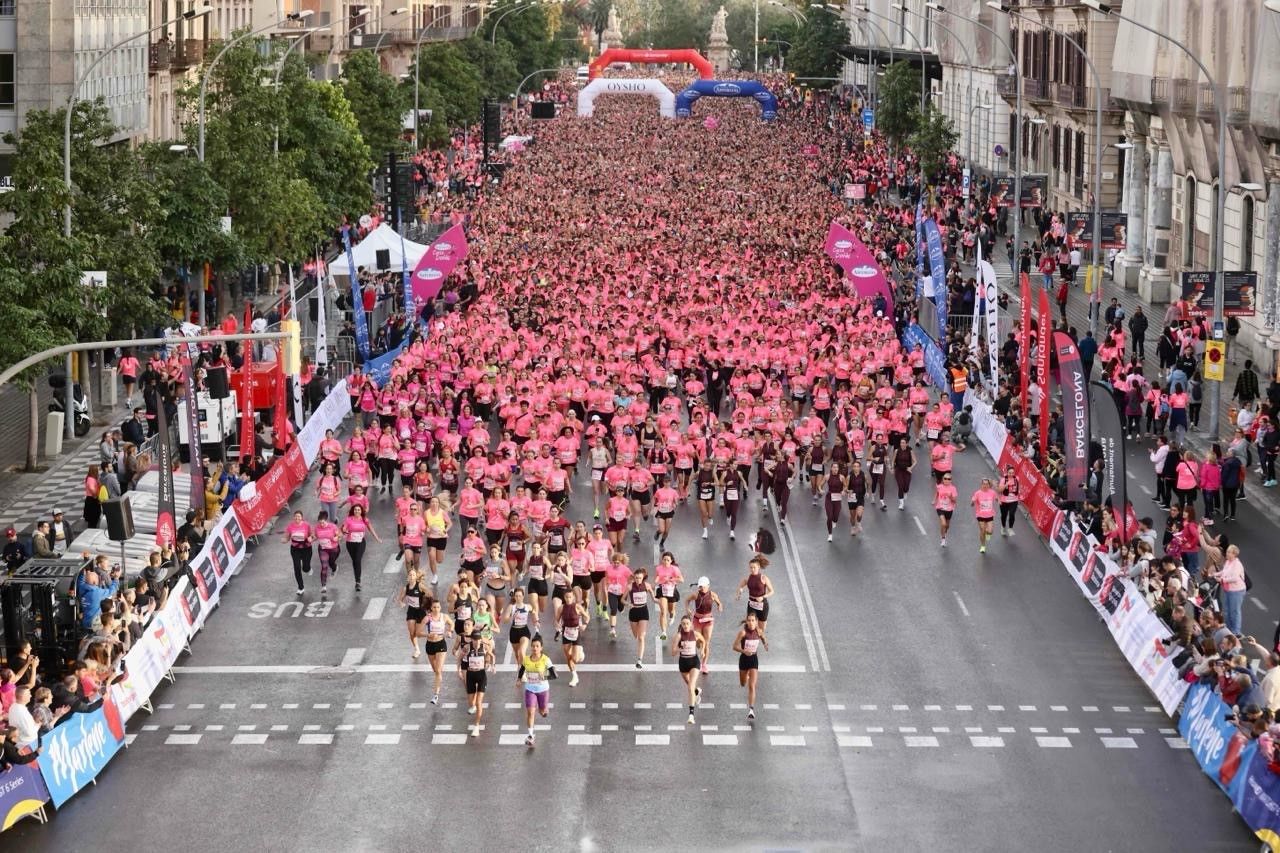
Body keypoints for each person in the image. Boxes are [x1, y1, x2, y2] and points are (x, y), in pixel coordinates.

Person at [456, 626, 494, 738]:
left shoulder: (485, 646)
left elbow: (490, 655)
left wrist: (490, 664)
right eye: (474, 639)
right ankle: (473, 704)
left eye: (478, 639)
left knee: (478, 702)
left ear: (481, 639)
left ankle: (476, 726)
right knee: (471, 703)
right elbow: (459, 658)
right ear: (471, 639)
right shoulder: (467, 647)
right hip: (471, 675)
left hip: (481, 675)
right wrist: (458, 670)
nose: (476, 641)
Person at [732, 612, 769, 721]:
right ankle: (746, 675)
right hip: (744, 659)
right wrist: (744, 651)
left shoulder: (759, 631)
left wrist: (765, 644)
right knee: (743, 683)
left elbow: (763, 638)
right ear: (747, 622)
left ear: (756, 622)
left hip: (753, 659)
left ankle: (751, 710)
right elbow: (734, 646)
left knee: (752, 686)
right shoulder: (743, 633)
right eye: (749, 620)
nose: (751, 622)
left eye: (753, 620)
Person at [672, 615, 707, 725]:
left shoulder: (695, 634)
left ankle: (691, 715)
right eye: (684, 624)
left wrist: (702, 650)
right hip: (683, 663)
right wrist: (679, 648)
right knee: (690, 686)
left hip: (694, 662)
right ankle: (696, 691)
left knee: (691, 685)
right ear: (681, 625)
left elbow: (703, 640)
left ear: (691, 624)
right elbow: (673, 652)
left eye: (687, 623)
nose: (686, 626)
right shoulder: (678, 636)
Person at [685, 576, 723, 675]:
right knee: (697, 641)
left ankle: (704, 664)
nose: (701, 588)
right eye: (700, 586)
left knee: (706, 642)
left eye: (703, 586)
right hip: (697, 620)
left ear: (708, 586)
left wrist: (720, 607)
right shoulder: (695, 595)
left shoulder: (713, 595)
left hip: (708, 621)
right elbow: (687, 600)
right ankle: (700, 649)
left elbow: (719, 603)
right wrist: (687, 609)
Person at [519, 636, 552, 747]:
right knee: (530, 712)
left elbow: (554, 674)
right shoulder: (527, 659)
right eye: (533, 646)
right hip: (530, 689)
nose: (534, 648)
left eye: (537, 646)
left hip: (543, 689)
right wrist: (519, 679)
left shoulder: (546, 659)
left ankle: (543, 709)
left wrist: (545, 676)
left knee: (542, 712)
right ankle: (531, 735)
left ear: (541, 648)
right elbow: (522, 669)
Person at [557, 589, 590, 688]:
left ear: (573, 597)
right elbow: (556, 620)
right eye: (566, 597)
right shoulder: (561, 608)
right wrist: (558, 629)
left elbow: (587, 617)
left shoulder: (577, 606)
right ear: (564, 597)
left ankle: (580, 654)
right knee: (568, 657)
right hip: (566, 633)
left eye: (570, 597)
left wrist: (585, 625)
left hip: (575, 633)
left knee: (575, 658)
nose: (568, 599)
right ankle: (574, 676)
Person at [734, 555, 775, 630]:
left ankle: (757, 640)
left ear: (758, 567)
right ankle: (751, 639)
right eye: (751, 567)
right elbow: (740, 587)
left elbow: (772, 591)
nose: (752, 569)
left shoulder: (764, 578)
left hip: (762, 605)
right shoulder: (748, 578)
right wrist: (739, 592)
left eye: (754, 567)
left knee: (761, 629)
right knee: (750, 625)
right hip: (751, 605)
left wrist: (763, 597)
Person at [399, 568, 430, 659]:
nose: (411, 576)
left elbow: (430, 594)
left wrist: (427, 602)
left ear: (416, 577)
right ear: (408, 577)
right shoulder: (406, 588)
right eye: (410, 575)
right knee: (411, 632)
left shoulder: (420, 586)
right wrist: (401, 603)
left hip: (420, 611)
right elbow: (400, 599)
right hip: (411, 611)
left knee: (418, 633)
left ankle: (430, 635)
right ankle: (417, 649)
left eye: (413, 575)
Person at [281, 510, 313, 596]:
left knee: (305, 568)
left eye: (299, 516)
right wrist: (284, 540)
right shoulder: (290, 526)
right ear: (293, 517)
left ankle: (308, 568)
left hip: (306, 548)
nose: (297, 518)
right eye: (296, 516)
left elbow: (312, 534)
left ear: (302, 517)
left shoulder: (306, 525)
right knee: (297, 567)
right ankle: (300, 587)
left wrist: (311, 538)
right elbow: (287, 537)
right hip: (295, 549)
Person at [971, 478, 998, 554]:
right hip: (980, 515)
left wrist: (998, 501)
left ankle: (988, 533)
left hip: (989, 515)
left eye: (987, 484)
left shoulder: (992, 492)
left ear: (989, 485)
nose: (985, 485)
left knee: (990, 531)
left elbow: (996, 498)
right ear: (981, 485)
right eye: (984, 484)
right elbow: (972, 502)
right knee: (982, 530)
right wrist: (972, 502)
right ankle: (983, 546)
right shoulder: (977, 493)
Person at [933, 471, 958, 547]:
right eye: (945, 478)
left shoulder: (953, 488)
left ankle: (944, 533)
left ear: (951, 480)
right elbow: (937, 493)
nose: (947, 480)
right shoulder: (939, 486)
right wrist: (934, 500)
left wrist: (950, 497)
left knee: (947, 526)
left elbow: (955, 500)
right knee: (943, 523)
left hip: (949, 509)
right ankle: (943, 539)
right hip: (940, 507)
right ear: (943, 479)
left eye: (949, 479)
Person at [998, 464, 1020, 537]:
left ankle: (1010, 528)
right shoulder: (1003, 479)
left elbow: (1018, 488)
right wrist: (1006, 485)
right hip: (1004, 501)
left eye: (1012, 473)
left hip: (1014, 501)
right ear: (1007, 473)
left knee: (1012, 514)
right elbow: (999, 490)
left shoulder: (1017, 478)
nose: (1011, 474)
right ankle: (1003, 527)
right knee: (1004, 515)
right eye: (1009, 473)